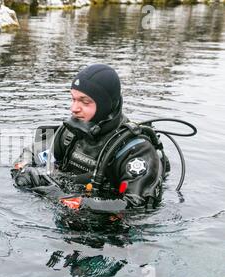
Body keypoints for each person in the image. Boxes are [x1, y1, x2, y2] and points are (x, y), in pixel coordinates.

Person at [11, 64, 170, 212]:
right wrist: (24, 169)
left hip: (111, 232)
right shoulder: (70, 132)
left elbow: (137, 205)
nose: (73, 108)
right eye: (73, 99)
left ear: (105, 106)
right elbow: (33, 152)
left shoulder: (136, 150)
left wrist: (80, 203)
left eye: (85, 102)